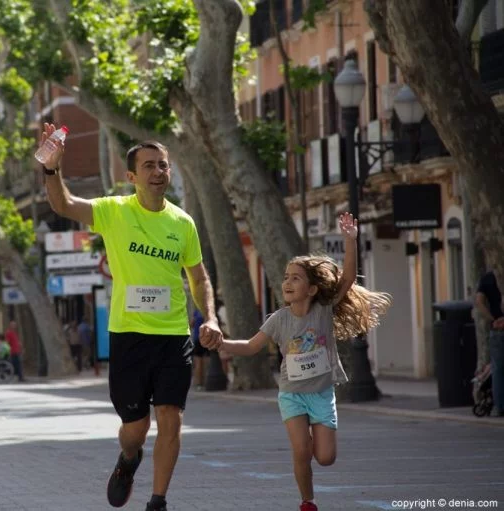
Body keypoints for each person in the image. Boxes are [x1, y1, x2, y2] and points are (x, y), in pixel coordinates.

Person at [40, 126, 222, 511]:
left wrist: (212, 318)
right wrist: (52, 170)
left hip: (173, 335)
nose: (158, 172)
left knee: (170, 419)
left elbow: (198, 276)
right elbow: (64, 205)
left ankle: (158, 500)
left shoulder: (182, 222)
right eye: (149, 166)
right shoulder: (114, 211)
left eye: (163, 165)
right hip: (128, 335)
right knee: (135, 430)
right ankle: (128, 460)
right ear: (131, 176)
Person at [218, 213, 391, 511]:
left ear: (311, 290)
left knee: (325, 457)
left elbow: (347, 278)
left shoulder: (323, 310)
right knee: (301, 451)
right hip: (292, 395)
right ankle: (307, 501)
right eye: (286, 277)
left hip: (322, 394)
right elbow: (250, 346)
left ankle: (313, 466)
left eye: (295, 278)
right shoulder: (278, 320)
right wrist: (222, 342)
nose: (287, 282)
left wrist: (351, 240)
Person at [475, 270, 504, 417]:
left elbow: (479, 301)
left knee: (498, 369)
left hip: (497, 328)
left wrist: (492, 319)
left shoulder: (487, 277)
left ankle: (500, 406)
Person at [189, 308, 208, 390]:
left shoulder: (197, 312)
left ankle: (199, 383)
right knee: (204, 361)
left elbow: (191, 324)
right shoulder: (206, 310)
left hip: (197, 339)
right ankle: (203, 382)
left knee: (198, 362)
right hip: (204, 338)